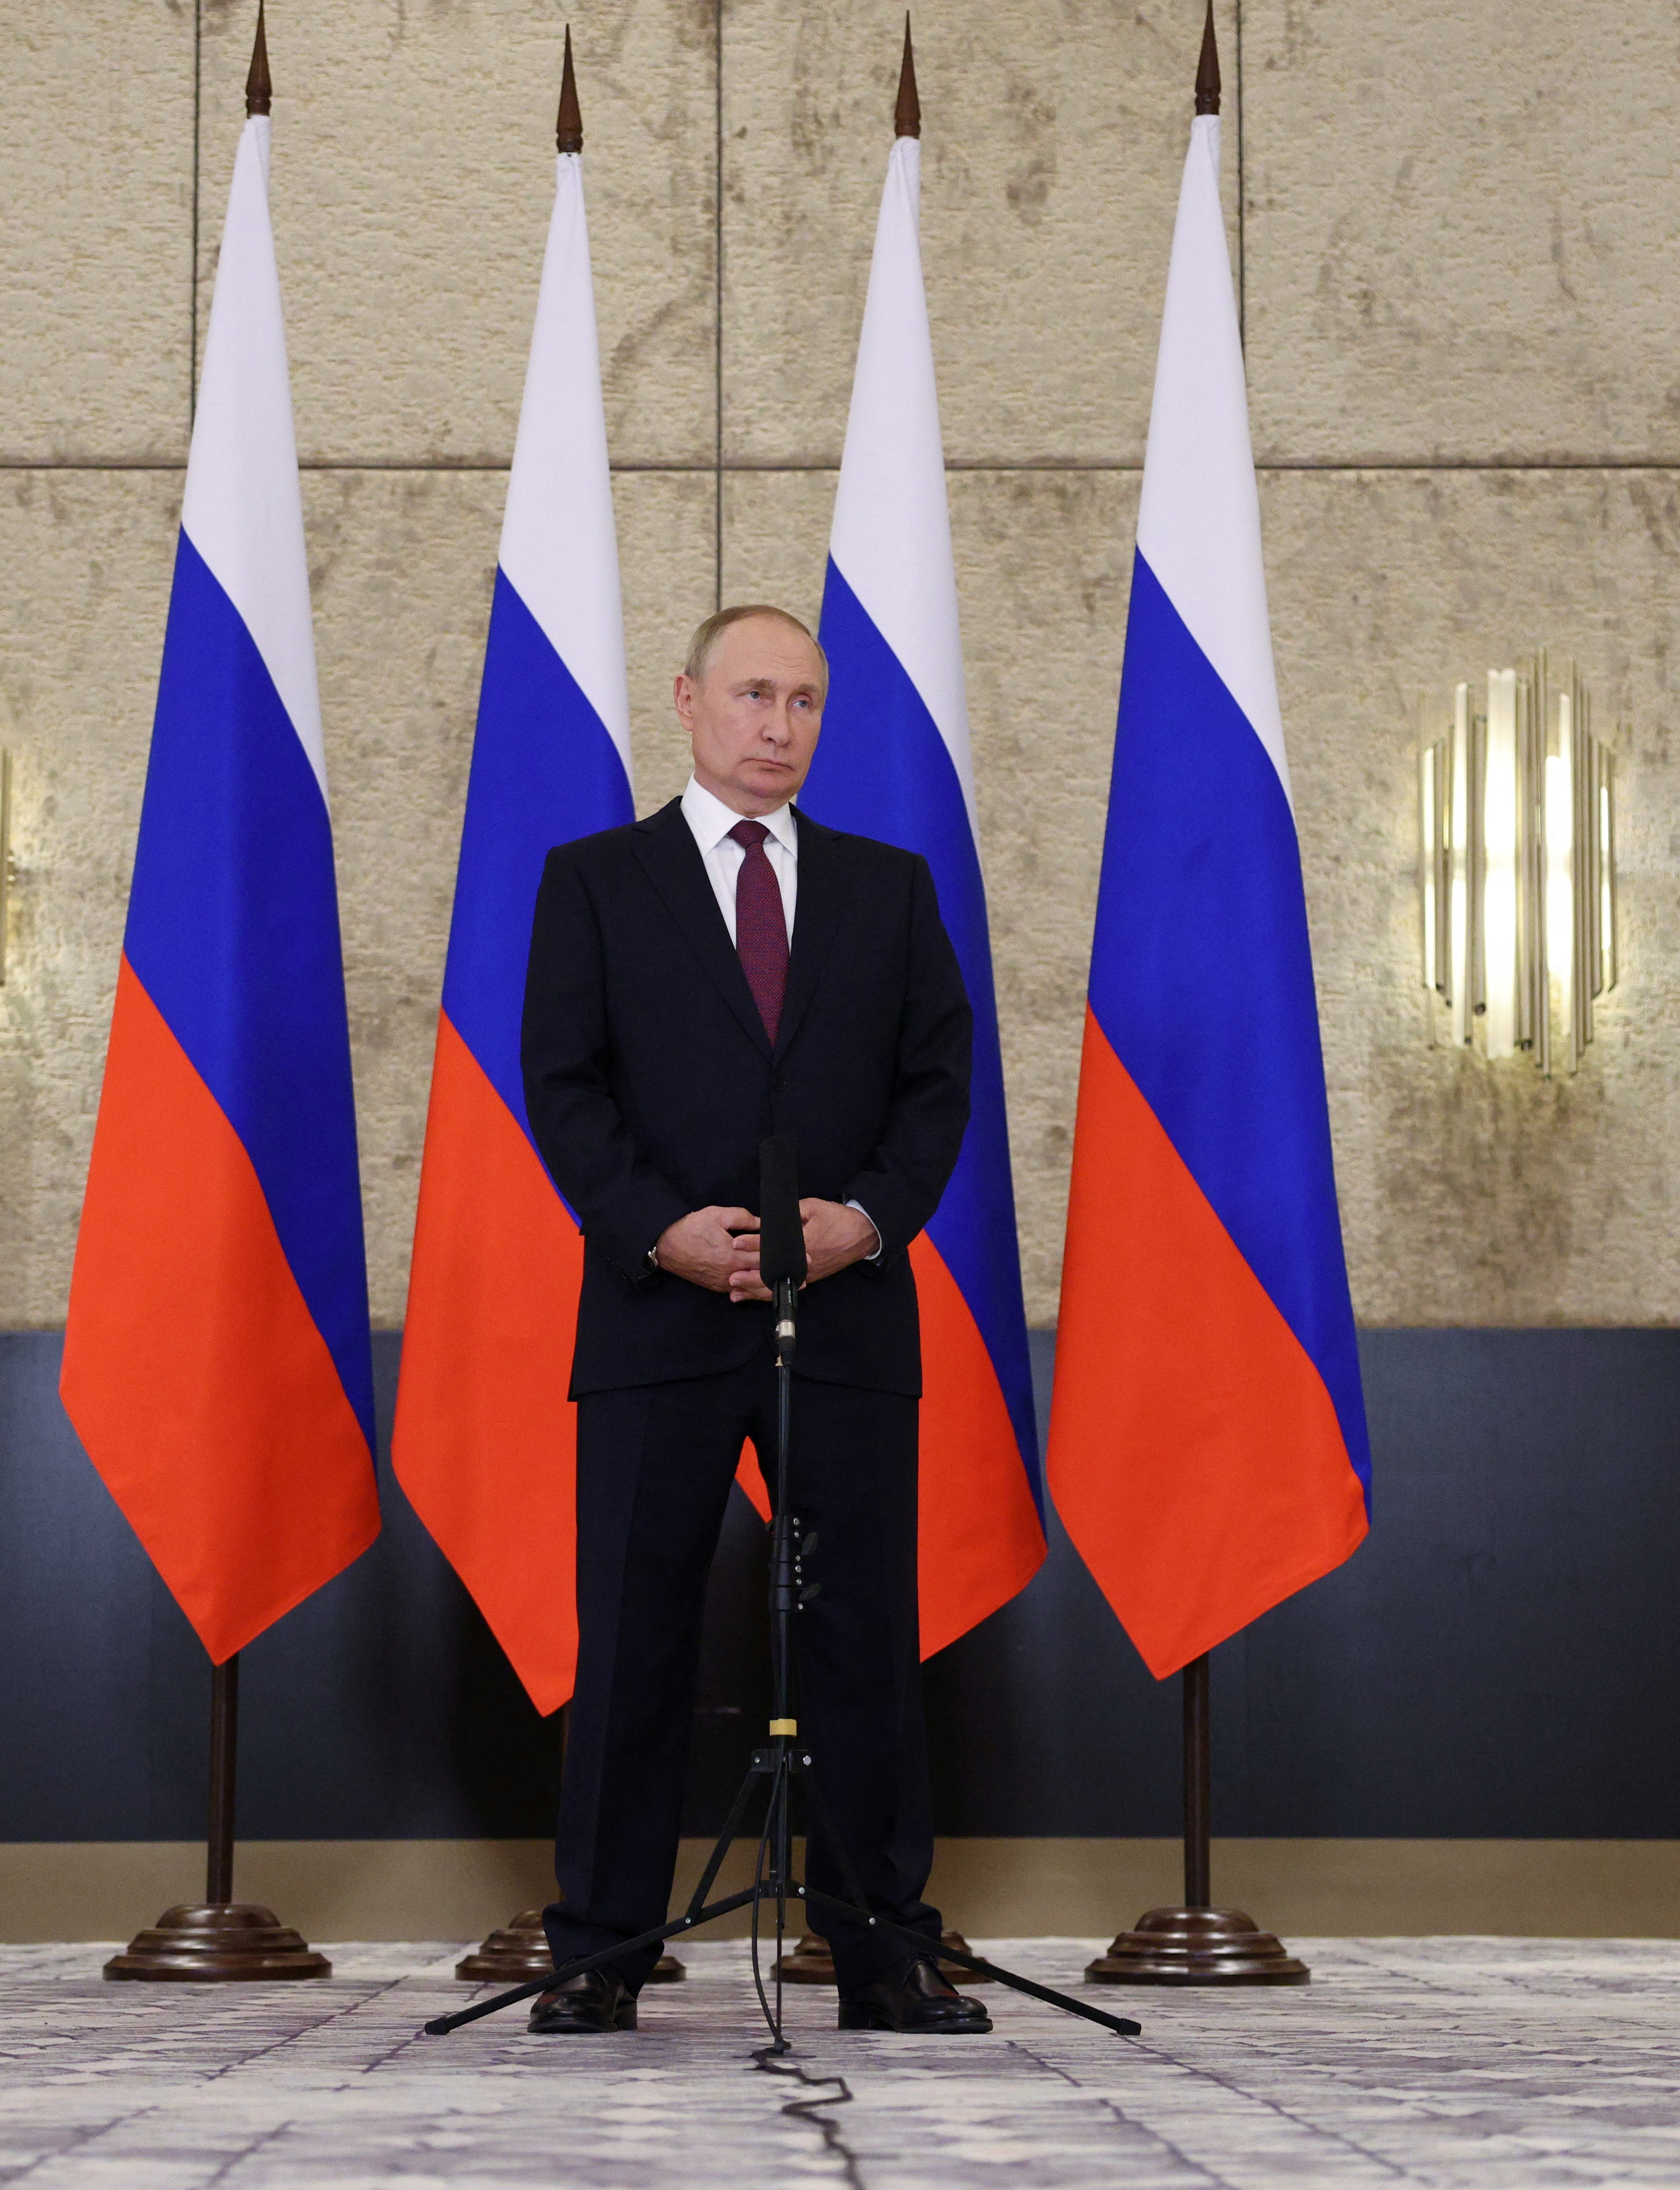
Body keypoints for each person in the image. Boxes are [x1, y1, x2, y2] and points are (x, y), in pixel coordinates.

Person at [516, 603, 987, 2036]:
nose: (779, 726)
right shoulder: (596, 881)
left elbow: (937, 1084)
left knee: (858, 1636)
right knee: (636, 1638)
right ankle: (602, 1948)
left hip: (841, 1318)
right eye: (753, 695)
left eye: (804, 702)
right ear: (689, 701)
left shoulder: (890, 889)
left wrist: (873, 1219)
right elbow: (564, 1082)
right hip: (658, 1313)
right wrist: (656, 1225)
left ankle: (879, 1949)